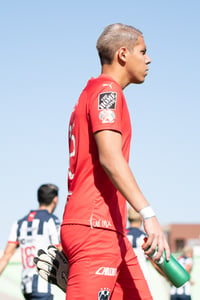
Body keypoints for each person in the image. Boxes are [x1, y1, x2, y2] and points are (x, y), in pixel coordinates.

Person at [58, 23, 171, 300]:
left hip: (111, 230)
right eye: (143, 52)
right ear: (123, 54)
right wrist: (148, 214)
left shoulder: (90, 93)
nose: (148, 59)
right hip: (95, 228)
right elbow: (110, 157)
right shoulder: (106, 93)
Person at [0, 183, 61, 300]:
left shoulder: (19, 223)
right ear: (55, 199)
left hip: (25, 285)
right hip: (43, 285)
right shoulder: (52, 221)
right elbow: (61, 249)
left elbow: (6, 256)